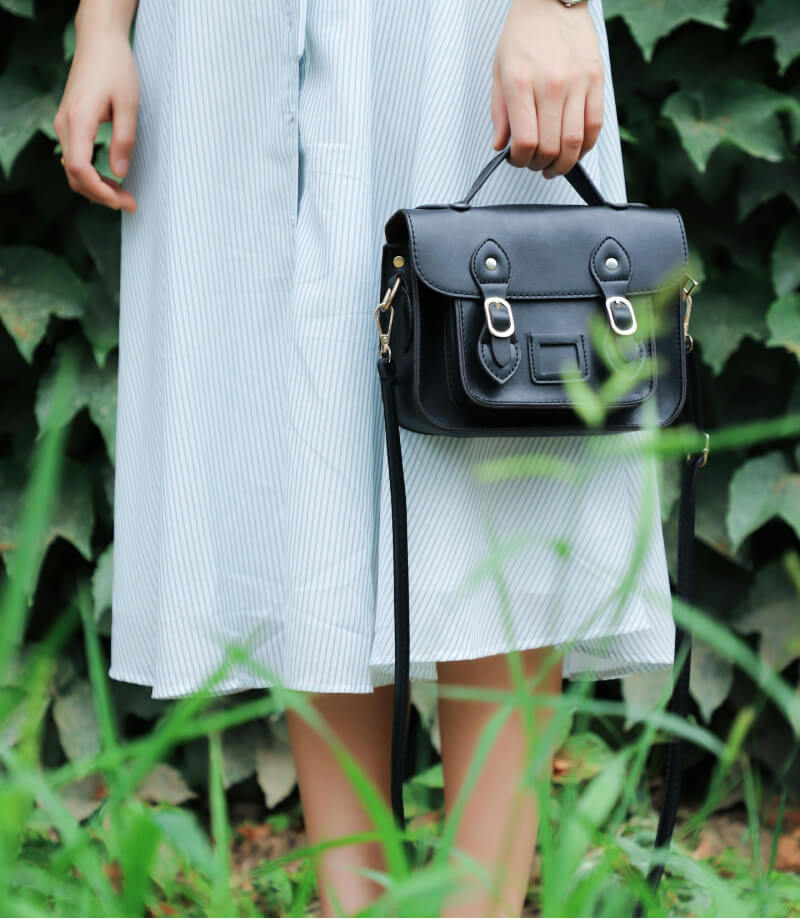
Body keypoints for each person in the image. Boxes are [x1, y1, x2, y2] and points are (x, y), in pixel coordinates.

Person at [54, 0, 675, 915]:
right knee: (291, 438)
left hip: (456, 22)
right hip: (227, 36)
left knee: (498, 430)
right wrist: (102, 25)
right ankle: (359, 905)